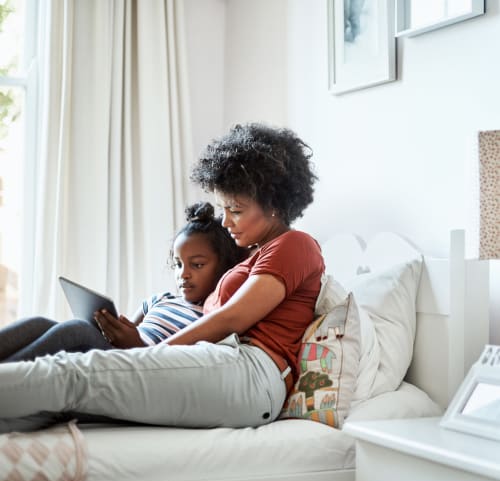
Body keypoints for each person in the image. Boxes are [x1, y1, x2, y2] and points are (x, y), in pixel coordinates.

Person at [0, 123, 324, 433]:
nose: (226, 221)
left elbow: (233, 317)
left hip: (252, 372)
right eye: (223, 208)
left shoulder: (295, 244)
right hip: (222, 362)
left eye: (236, 210)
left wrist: (151, 355)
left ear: (273, 205)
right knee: (60, 402)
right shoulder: (252, 256)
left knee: (72, 374)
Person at [0, 202, 245, 361]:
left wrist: (136, 344)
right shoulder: (160, 300)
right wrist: (110, 327)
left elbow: (182, 359)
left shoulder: (211, 317)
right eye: (178, 264)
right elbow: (123, 332)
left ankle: (7, 378)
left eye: (197, 265)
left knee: (77, 329)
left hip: (135, 363)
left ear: (224, 266)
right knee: (38, 322)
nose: (184, 274)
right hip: (112, 352)